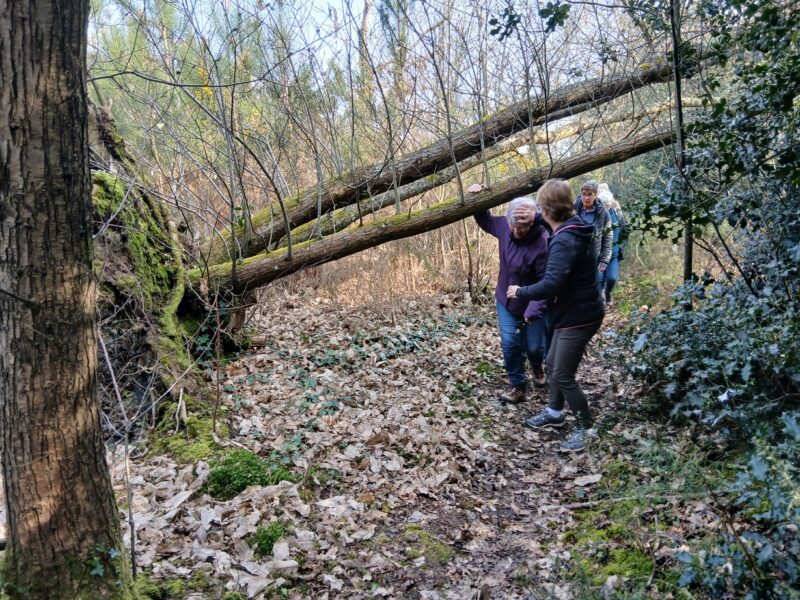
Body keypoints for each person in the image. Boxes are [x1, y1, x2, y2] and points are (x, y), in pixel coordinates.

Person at [507, 179, 604, 452]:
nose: (538, 212)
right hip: (570, 311)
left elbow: (551, 284)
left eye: (540, 207)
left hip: (580, 316)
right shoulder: (574, 225)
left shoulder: (564, 240)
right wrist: (534, 216)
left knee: (562, 374)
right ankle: (554, 412)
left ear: (549, 210)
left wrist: (520, 291)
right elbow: (548, 219)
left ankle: (588, 429)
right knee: (551, 362)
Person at [475, 196, 549, 403]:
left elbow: (546, 282)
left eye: (522, 227)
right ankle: (517, 386)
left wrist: (532, 310)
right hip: (506, 300)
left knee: (534, 347)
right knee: (510, 343)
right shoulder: (504, 226)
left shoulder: (543, 242)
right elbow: (485, 219)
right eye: (513, 226)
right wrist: (478, 197)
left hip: (533, 303)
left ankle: (537, 366)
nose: (516, 231)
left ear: (532, 222)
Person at [575, 180, 613, 274]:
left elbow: (608, 236)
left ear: (595, 195)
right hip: (574, 254)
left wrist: (604, 259)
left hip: (593, 257)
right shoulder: (573, 208)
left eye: (590, 194)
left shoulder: (603, 212)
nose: (586, 198)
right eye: (584, 194)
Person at [597, 190, 627, 304]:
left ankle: (607, 292)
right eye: (604, 205)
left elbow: (626, 231)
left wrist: (621, 246)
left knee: (612, 278)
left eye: (608, 205)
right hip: (598, 256)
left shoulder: (617, 215)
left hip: (614, 255)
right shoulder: (596, 216)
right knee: (599, 280)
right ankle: (599, 305)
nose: (606, 207)